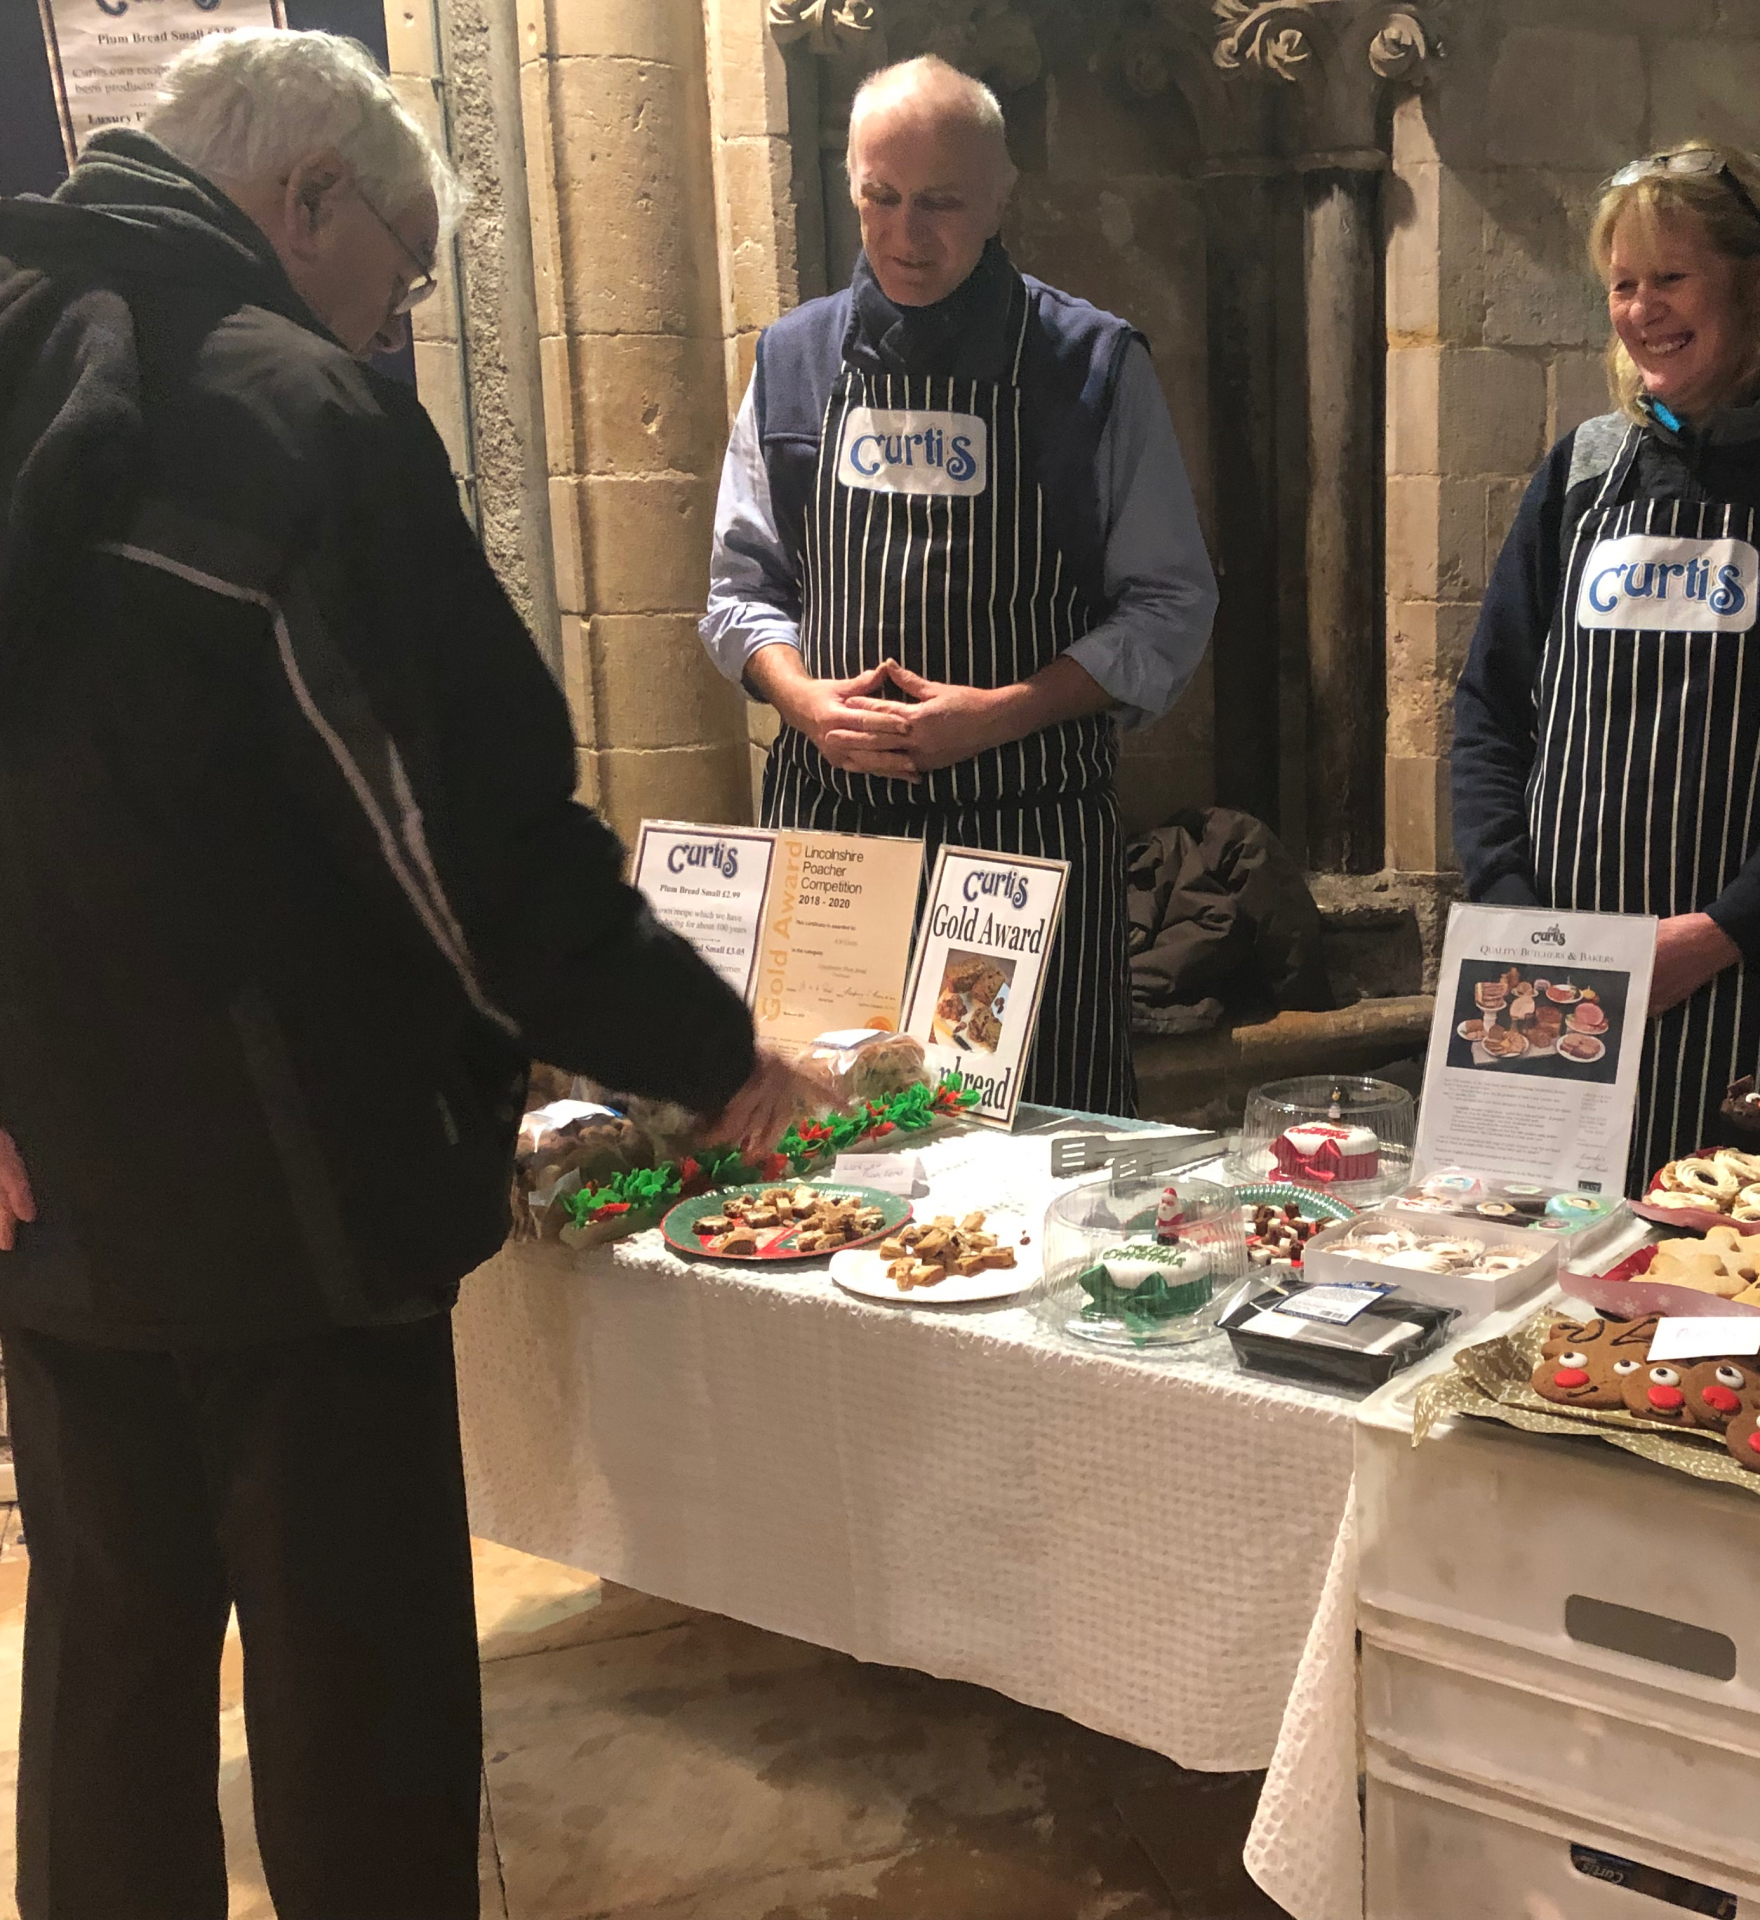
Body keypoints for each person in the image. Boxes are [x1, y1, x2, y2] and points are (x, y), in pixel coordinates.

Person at [0, 29, 816, 1916]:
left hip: (57, 1189)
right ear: (309, 201)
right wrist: (704, 1046)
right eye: (408, 268)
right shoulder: (305, 420)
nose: (403, 316)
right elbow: (467, 840)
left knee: (109, 1678)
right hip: (300, 1197)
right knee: (354, 1691)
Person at [702, 55, 1217, 1119]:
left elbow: (1168, 603)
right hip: (835, 843)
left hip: (1023, 844)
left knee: (1031, 1152)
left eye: (939, 202)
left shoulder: (1090, 366)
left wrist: (1006, 713)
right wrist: (799, 697)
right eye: (879, 198)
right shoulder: (792, 361)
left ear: (999, 196)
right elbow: (740, 589)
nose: (904, 233)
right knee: (831, 1153)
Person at [1449, 142, 1760, 1192]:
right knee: (1529, 1264)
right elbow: (1490, 708)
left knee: (1721, 1291)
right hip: (1548, 968)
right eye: (1622, 284)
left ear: (1759, 279)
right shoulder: (1581, 470)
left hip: (1752, 975)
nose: (1641, 311)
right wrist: (1516, 912)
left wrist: (1720, 931)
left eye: (1671, 277)